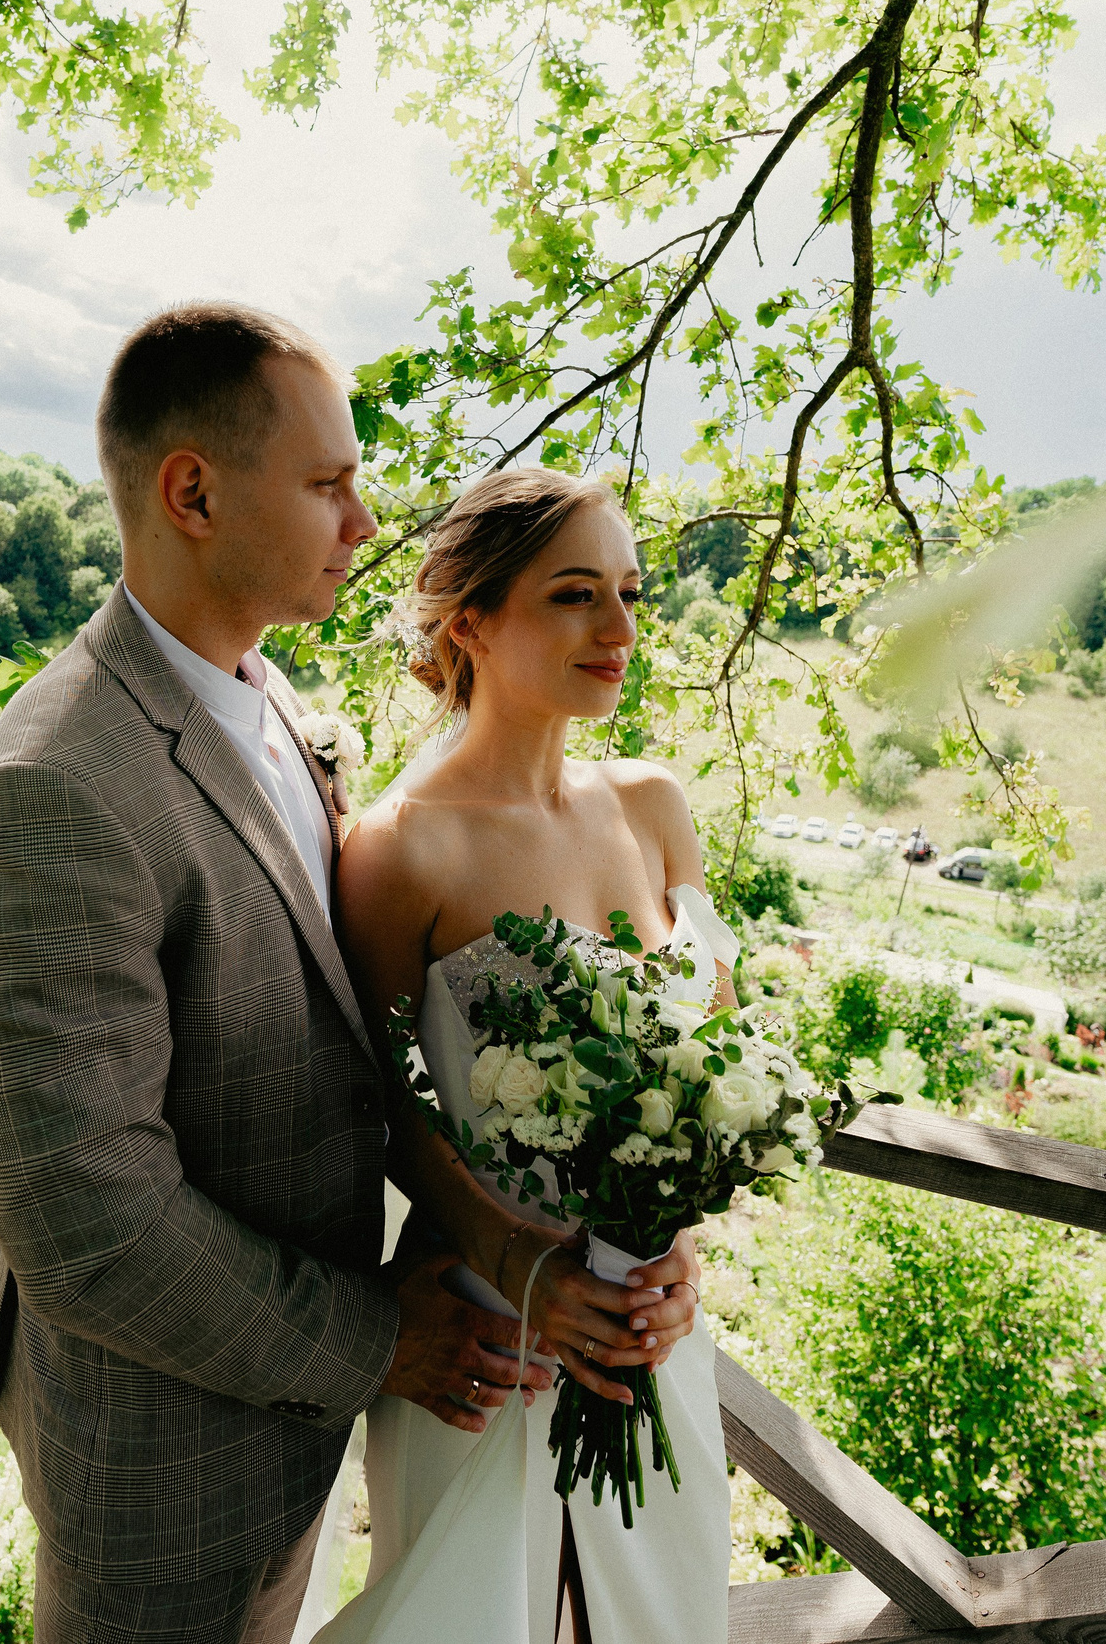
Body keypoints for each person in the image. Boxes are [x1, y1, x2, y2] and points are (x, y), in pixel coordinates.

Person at [0, 304, 698, 1644]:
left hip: (326, 1411)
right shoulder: (52, 791)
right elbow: (86, 1223)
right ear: (193, 491)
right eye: (331, 483)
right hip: (169, 1453)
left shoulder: (275, 708)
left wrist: (536, 1251)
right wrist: (379, 1340)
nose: (364, 521)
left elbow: (369, 1064)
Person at [336, 468, 735, 1644]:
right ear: (472, 618)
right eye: (573, 595)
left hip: (654, 1329)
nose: (618, 630)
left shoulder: (654, 804)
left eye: (627, 592)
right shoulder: (403, 848)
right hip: (490, 1338)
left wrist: (675, 1247)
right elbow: (384, 1111)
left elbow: (708, 1081)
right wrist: (527, 1270)